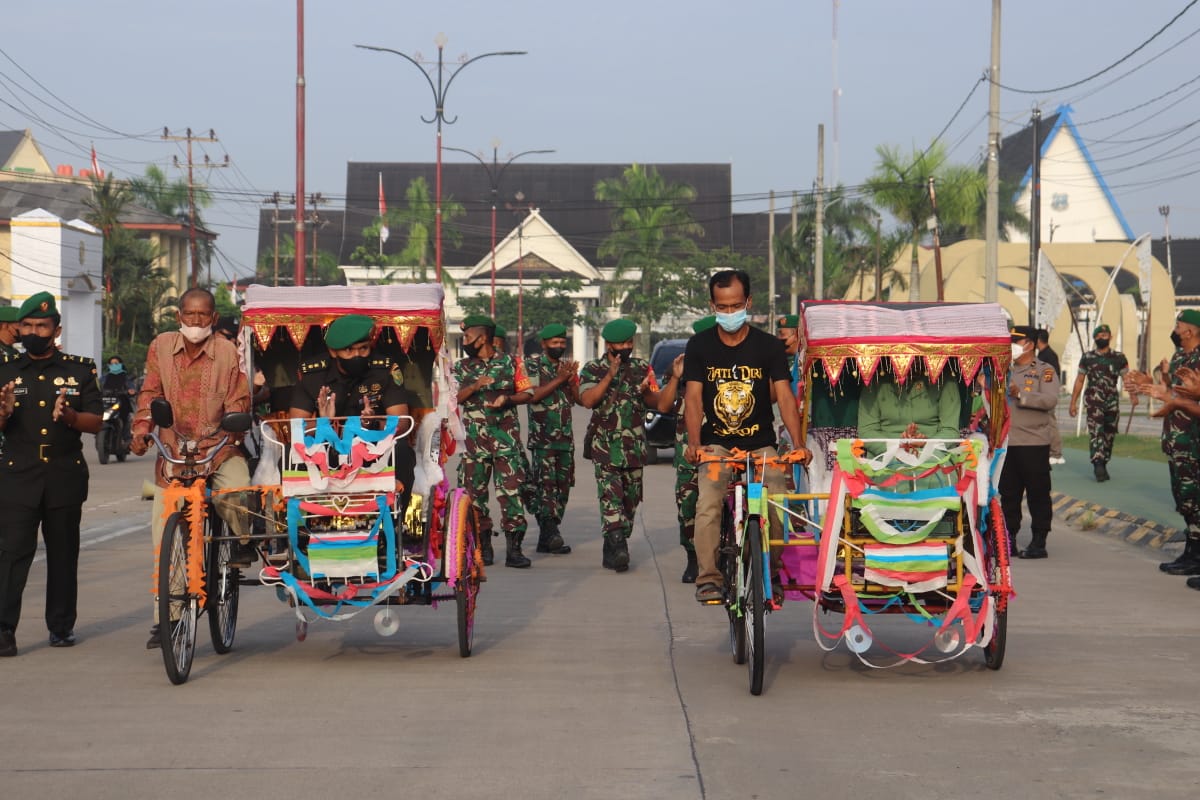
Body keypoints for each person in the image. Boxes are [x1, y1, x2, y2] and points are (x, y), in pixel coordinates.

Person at [130, 288, 252, 649]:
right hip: (173, 455)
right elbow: (149, 394)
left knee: (237, 492)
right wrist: (140, 431)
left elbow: (239, 401)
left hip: (217, 449)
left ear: (214, 318)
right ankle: (165, 619)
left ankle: (239, 542)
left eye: (203, 316)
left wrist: (229, 434)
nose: (195, 322)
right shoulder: (161, 346)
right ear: (179, 315)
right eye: (189, 314)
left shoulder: (228, 352)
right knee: (164, 532)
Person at [683, 270, 809, 604]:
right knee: (708, 502)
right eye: (722, 307)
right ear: (712, 305)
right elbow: (693, 399)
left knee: (778, 500)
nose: (729, 313)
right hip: (716, 446)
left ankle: (773, 573)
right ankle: (708, 577)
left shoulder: (768, 347)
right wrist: (694, 443)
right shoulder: (699, 346)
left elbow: (784, 396)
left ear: (748, 303)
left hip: (761, 444)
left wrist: (798, 445)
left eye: (735, 305)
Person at [0, 292, 102, 656]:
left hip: (63, 474)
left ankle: (60, 627)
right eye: (26, 325)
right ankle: (4, 630)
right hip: (17, 475)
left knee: (63, 554)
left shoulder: (79, 368)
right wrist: (3, 413)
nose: (33, 331)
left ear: (55, 329)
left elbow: (96, 421)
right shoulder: (5, 371)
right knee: (11, 555)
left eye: (41, 326)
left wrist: (72, 418)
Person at [579, 318, 679, 572]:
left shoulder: (643, 368)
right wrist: (610, 375)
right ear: (608, 344)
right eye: (619, 343)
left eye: (628, 342)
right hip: (605, 447)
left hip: (634, 448)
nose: (624, 347)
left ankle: (613, 543)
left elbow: (659, 403)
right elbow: (589, 400)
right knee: (610, 498)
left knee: (630, 502)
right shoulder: (592, 369)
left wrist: (647, 393)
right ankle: (617, 543)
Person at [288, 313, 415, 510]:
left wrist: (372, 424)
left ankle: (393, 522)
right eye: (349, 350)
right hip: (326, 449)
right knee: (288, 455)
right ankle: (304, 526)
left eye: (363, 348)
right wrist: (324, 423)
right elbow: (296, 426)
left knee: (403, 452)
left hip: (374, 449)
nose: (357, 355)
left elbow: (401, 422)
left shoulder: (385, 370)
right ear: (333, 351)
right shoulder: (312, 374)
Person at [454, 315, 533, 568]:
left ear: (483, 337)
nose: (465, 341)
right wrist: (476, 386)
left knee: (511, 494)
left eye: (467, 337)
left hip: (506, 442)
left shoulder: (512, 363)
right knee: (475, 497)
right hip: (474, 444)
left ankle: (515, 550)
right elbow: (454, 398)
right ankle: (483, 547)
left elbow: (527, 393)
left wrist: (507, 400)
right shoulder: (461, 367)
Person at [1126, 310, 1200, 582]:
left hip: (1194, 441)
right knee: (1184, 500)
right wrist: (1152, 384)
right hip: (1176, 437)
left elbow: (1185, 399)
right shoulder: (1181, 356)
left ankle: (1196, 555)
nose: (1176, 328)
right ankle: (1192, 553)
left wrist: (1168, 395)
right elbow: (1173, 393)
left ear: (1190, 330)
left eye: (1179, 324)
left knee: (1195, 499)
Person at [1000, 325, 1061, 559]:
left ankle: (1039, 541)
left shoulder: (1045, 371)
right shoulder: (1004, 369)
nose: (1012, 345)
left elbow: (1050, 400)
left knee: (1038, 493)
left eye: (1017, 341)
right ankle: (1009, 539)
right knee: (1009, 494)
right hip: (1008, 442)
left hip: (1034, 442)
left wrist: (1021, 395)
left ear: (1030, 344)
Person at [523, 323, 578, 556]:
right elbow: (533, 395)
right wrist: (559, 379)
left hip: (565, 439)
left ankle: (549, 535)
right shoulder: (533, 366)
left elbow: (578, 400)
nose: (559, 347)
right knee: (545, 488)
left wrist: (572, 379)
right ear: (544, 344)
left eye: (562, 343)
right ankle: (550, 531)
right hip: (543, 439)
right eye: (554, 343)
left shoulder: (566, 368)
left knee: (563, 489)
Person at [674, 315, 715, 584]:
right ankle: (692, 558)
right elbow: (665, 404)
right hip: (690, 444)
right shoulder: (687, 367)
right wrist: (676, 378)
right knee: (688, 500)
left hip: (722, 441)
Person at [1069, 324, 1129, 482]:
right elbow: (1080, 380)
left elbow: (1127, 378)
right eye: (1099, 335)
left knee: (1109, 434)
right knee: (1096, 432)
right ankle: (1097, 463)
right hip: (1094, 401)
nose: (1103, 337)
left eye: (1105, 335)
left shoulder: (1119, 357)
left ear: (1110, 337)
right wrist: (1073, 402)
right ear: (1095, 338)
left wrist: (1134, 395)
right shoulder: (1087, 358)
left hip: (1112, 402)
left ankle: (1104, 460)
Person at [1036, 329, 1065, 465]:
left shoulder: (1048, 356)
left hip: (1047, 394)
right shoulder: (1042, 354)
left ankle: (1056, 452)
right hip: (1041, 394)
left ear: (1038, 340)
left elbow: (1050, 376)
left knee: (1050, 422)